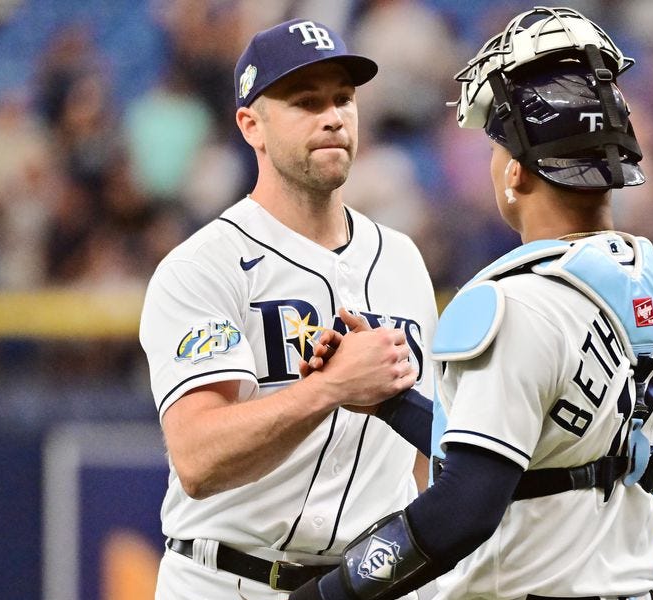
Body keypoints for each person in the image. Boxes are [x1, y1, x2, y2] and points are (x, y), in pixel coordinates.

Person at [289, 7, 653, 600]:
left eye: (497, 148)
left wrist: (328, 594)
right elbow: (530, 455)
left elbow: (465, 508)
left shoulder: (517, 303)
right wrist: (395, 403)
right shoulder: (644, 282)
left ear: (518, 175)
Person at [137, 17, 438, 600]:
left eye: (343, 99)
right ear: (251, 125)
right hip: (229, 579)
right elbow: (197, 459)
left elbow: (421, 459)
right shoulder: (204, 266)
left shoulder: (403, 259)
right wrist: (327, 390)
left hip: (371, 584)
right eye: (305, 101)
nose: (333, 116)